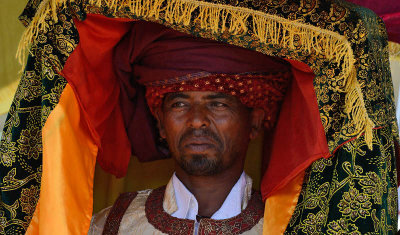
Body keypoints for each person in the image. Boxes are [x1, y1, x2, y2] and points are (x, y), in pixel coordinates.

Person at [88, 22, 291, 234]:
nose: (196, 120)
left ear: (255, 122)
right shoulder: (110, 226)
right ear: (160, 123)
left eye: (218, 104)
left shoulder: (286, 226)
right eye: (180, 105)